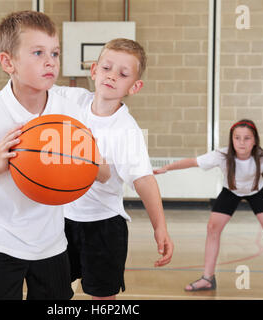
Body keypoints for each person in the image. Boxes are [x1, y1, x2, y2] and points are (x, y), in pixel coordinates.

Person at [0, 11, 109, 300]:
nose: (50, 61)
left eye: (54, 52)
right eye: (38, 52)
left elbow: (102, 174)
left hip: (52, 246)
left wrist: (84, 159)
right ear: (8, 62)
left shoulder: (69, 112)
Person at [51, 38, 174, 300]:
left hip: (104, 225)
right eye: (107, 68)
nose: (112, 76)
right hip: (61, 220)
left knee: (103, 298)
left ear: (135, 86)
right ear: (94, 70)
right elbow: (39, 88)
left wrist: (159, 227)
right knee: (53, 291)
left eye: (123, 73)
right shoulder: (71, 101)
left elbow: (143, 180)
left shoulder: (126, 130)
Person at [154, 119, 263, 296]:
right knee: (212, 228)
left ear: (255, 140)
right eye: (237, 138)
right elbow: (193, 162)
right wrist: (167, 168)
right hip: (230, 192)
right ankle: (207, 278)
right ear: (231, 139)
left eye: (247, 138)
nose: (241, 142)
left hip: (257, 192)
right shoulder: (222, 155)